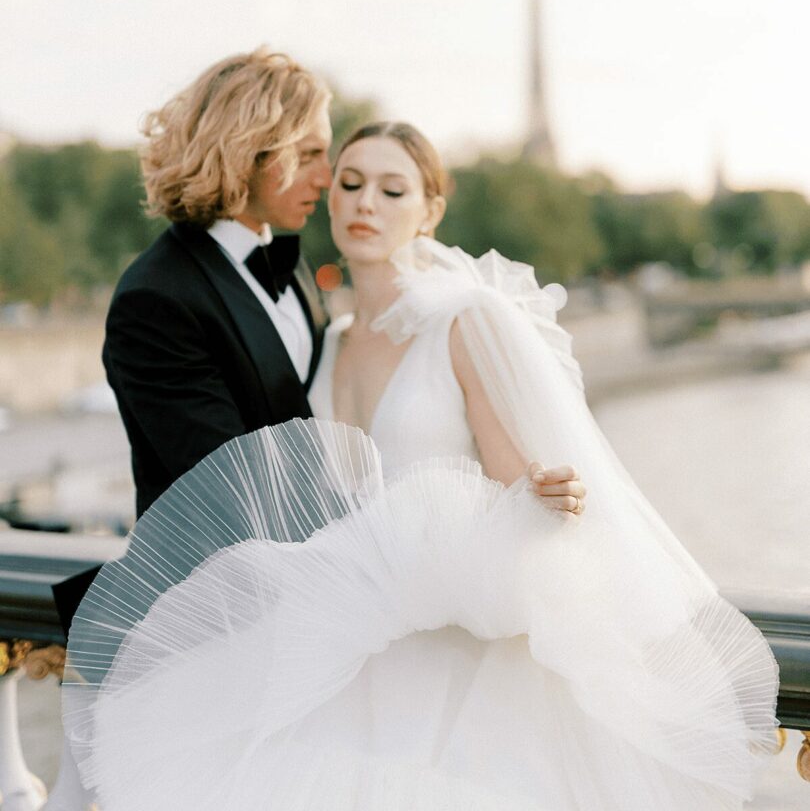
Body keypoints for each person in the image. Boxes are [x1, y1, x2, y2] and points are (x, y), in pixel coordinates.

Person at [62, 123, 778, 810]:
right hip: (344, 654)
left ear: (430, 210)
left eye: (392, 189)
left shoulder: (466, 320)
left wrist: (549, 491)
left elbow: (518, 480)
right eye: (350, 183)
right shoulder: (328, 339)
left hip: (454, 662)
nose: (366, 203)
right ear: (330, 199)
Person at [52, 46, 332, 628]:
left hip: (308, 604)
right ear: (248, 152)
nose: (326, 178)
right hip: (218, 615)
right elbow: (223, 486)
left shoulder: (294, 267)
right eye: (308, 155)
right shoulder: (156, 298)